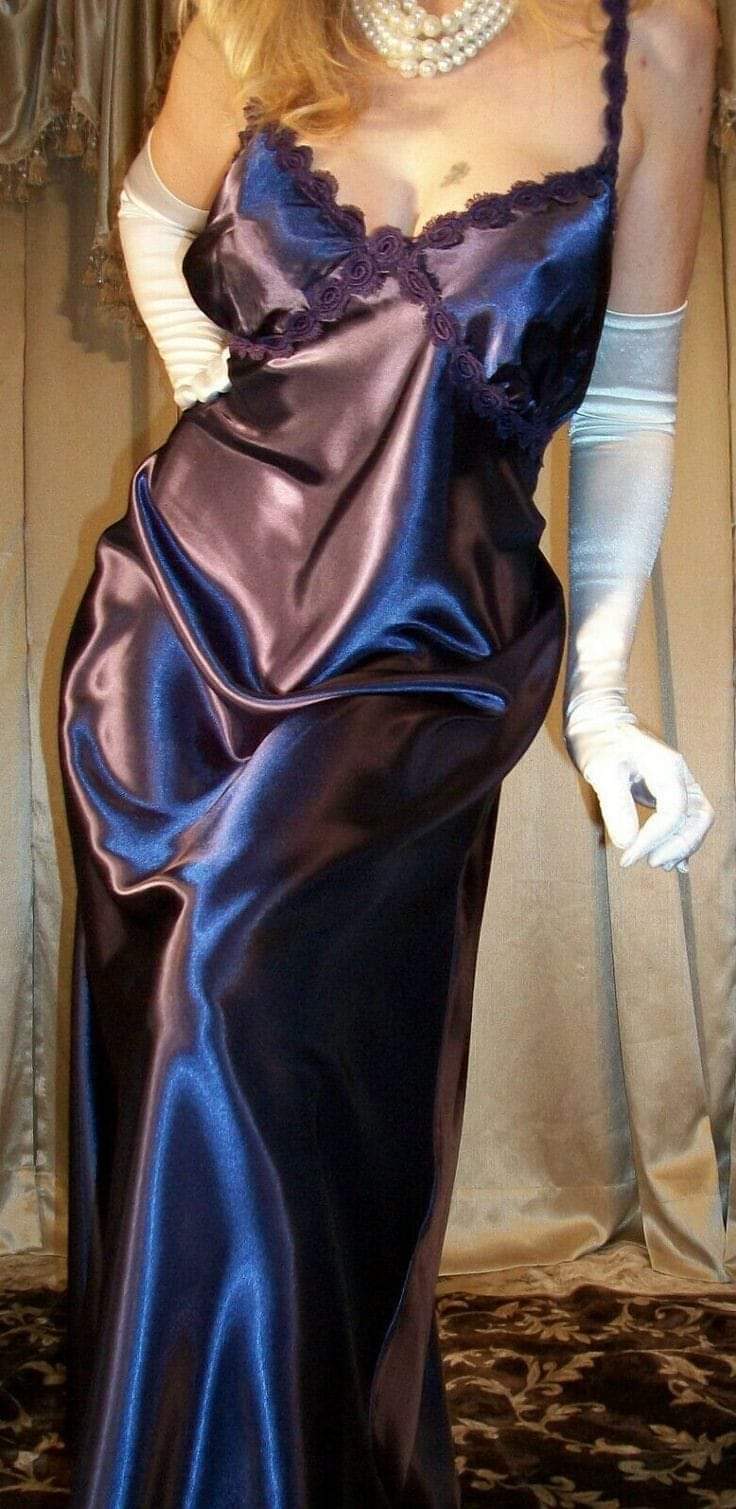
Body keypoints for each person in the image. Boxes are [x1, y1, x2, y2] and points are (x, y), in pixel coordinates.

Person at [57, 0, 718, 1503]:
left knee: (273, 1043)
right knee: (207, 1058)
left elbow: (628, 394)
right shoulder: (245, 21)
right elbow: (152, 216)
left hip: (426, 657)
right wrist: (212, 396)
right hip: (183, 628)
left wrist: (601, 699)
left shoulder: (656, 38)